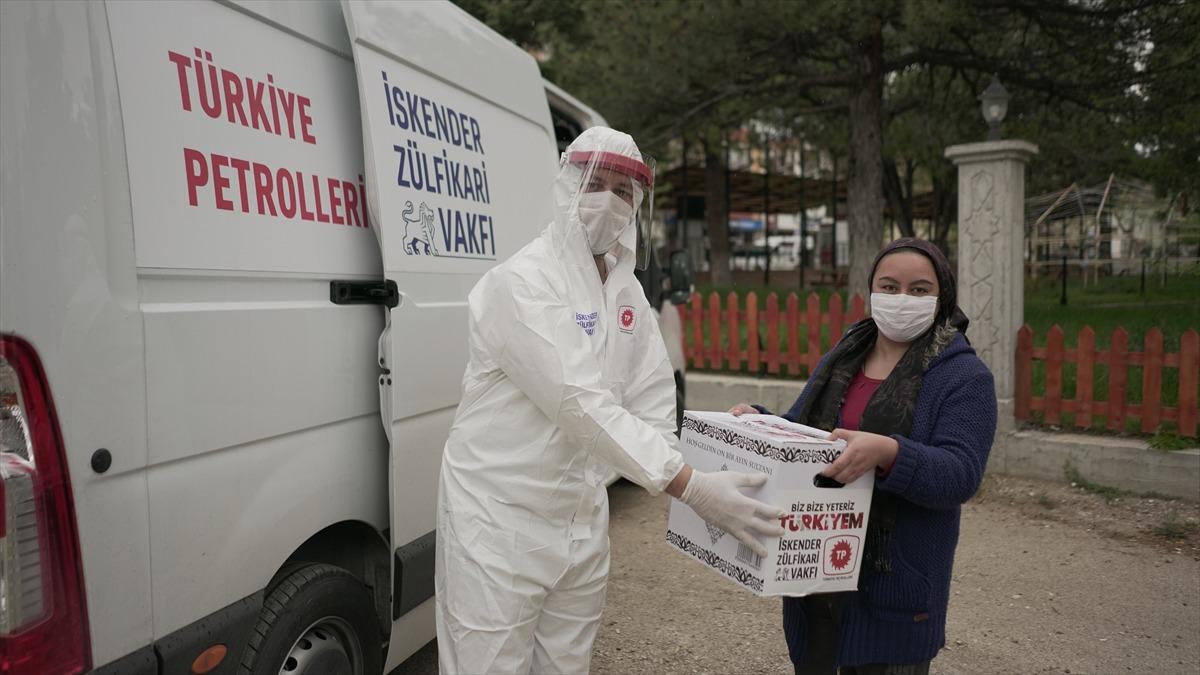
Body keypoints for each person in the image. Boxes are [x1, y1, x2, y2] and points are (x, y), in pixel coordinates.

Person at [435, 126, 784, 674]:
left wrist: (706, 460)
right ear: (567, 185)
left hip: (581, 519)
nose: (609, 201)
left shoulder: (626, 290)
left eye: (624, 191)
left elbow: (650, 397)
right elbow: (579, 403)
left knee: (567, 666)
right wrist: (690, 486)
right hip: (498, 520)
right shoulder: (522, 282)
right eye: (595, 183)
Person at [730, 238, 997, 675]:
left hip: (895, 590)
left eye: (919, 289)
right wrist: (761, 422)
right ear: (871, 290)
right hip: (816, 572)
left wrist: (891, 454)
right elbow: (804, 431)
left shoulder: (964, 377)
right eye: (889, 287)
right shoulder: (845, 356)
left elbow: (961, 474)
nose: (902, 299)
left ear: (942, 297)